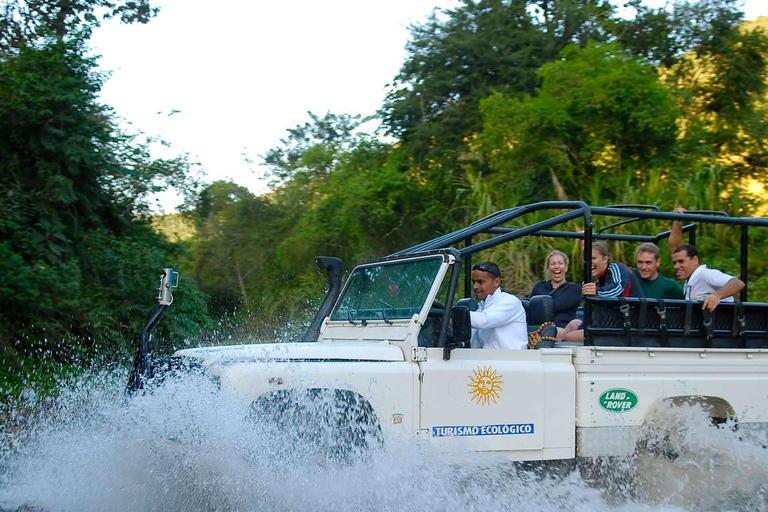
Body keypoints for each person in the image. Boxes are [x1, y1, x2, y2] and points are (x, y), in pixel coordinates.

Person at [560, 241, 644, 342]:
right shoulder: (599, 282)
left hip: (627, 325)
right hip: (609, 323)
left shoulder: (617, 269)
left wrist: (596, 292)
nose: (588, 262)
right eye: (586, 259)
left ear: (605, 259)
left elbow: (616, 290)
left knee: (568, 338)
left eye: (593, 258)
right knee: (573, 325)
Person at [668, 208, 745, 311]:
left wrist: (717, 296)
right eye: (675, 263)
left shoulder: (705, 274)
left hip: (720, 324)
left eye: (681, 262)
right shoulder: (691, 279)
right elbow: (675, 248)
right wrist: (677, 222)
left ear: (695, 260)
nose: (676, 266)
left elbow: (737, 283)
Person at [469, 262, 528, 350]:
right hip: (486, 361)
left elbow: (483, 321)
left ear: (496, 282)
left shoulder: (509, 301)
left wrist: (450, 314)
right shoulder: (481, 308)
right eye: (474, 282)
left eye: (480, 282)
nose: (475, 286)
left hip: (511, 361)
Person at [529, 250, 581, 328]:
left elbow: (558, 305)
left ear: (566, 267)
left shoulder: (574, 288)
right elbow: (529, 305)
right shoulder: (540, 286)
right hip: (537, 329)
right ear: (548, 268)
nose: (556, 266)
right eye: (553, 264)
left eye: (560, 263)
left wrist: (538, 306)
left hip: (562, 328)